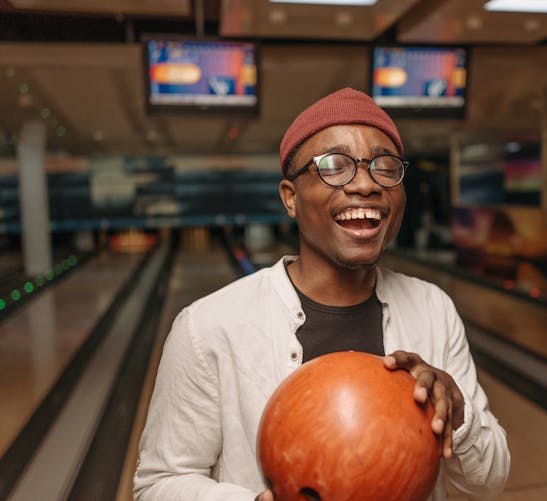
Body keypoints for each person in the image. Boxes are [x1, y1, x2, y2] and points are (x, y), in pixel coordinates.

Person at [134, 87, 510, 501]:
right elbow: (159, 484)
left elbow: (488, 483)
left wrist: (459, 415)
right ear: (290, 198)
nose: (366, 184)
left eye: (385, 166)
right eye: (335, 165)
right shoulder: (207, 328)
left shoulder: (433, 308)